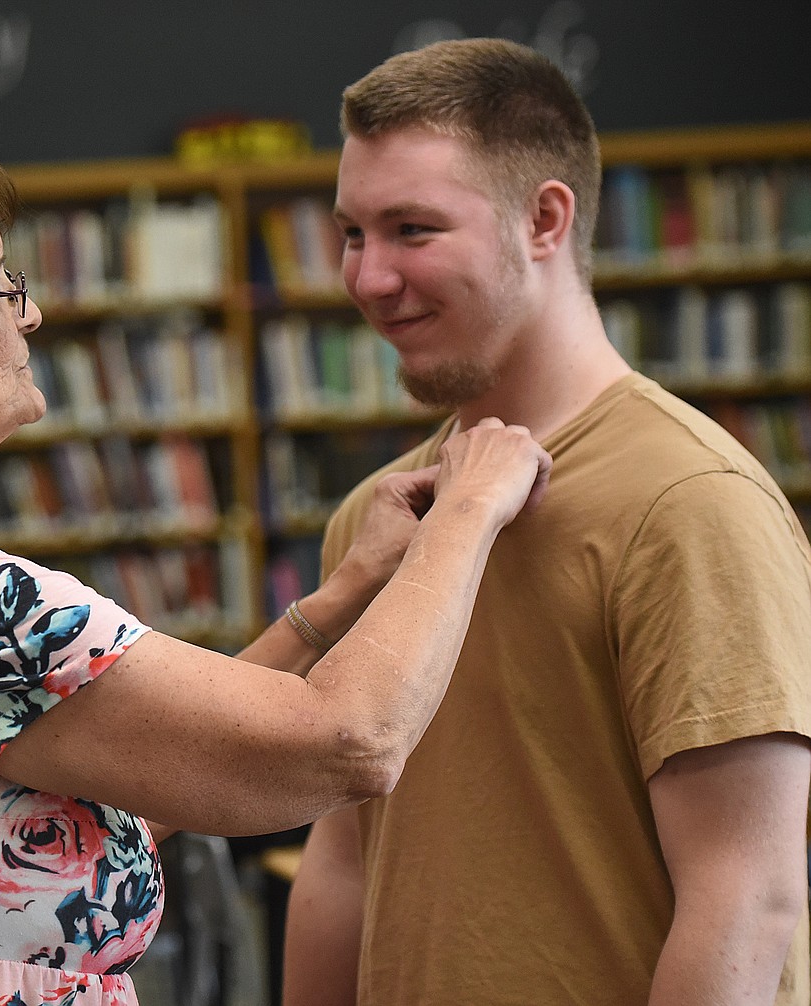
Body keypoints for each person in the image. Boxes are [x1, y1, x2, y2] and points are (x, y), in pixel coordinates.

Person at [0, 128, 549, 1005]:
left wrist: (345, 595)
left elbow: (126, 777)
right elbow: (347, 741)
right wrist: (468, 510)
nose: (31, 312)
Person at [281, 37, 811, 1006]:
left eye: (412, 228)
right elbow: (346, 860)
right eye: (353, 233)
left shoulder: (689, 502)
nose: (367, 277)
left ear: (545, 218)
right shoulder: (380, 516)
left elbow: (746, 897)